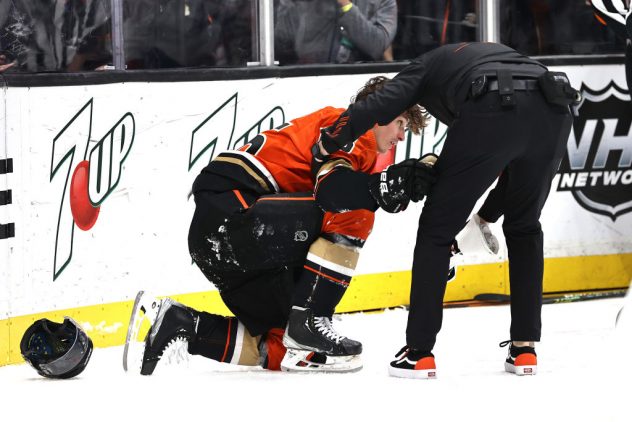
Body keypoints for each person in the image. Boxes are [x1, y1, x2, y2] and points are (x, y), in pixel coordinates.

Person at [125, 76, 435, 375]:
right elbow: (333, 192)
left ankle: (183, 323)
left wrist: (382, 185)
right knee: (355, 209)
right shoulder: (355, 128)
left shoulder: (352, 139)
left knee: (285, 347)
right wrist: (380, 186)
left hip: (225, 243)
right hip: (232, 213)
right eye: (400, 124)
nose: (401, 136)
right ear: (381, 112)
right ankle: (310, 319)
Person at [316, 42, 576, 378]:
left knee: (436, 232)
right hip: (554, 107)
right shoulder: (488, 53)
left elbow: (380, 102)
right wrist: (485, 217)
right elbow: (509, 168)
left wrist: (330, 141)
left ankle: (418, 353)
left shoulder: (424, 64)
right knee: (525, 226)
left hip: (493, 104)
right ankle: (524, 349)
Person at [274, 0, 397, 64]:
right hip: (309, 76)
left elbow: (378, 45)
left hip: (362, 84)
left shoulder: (384, 1)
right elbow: (281, 42)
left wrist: (346, 5)